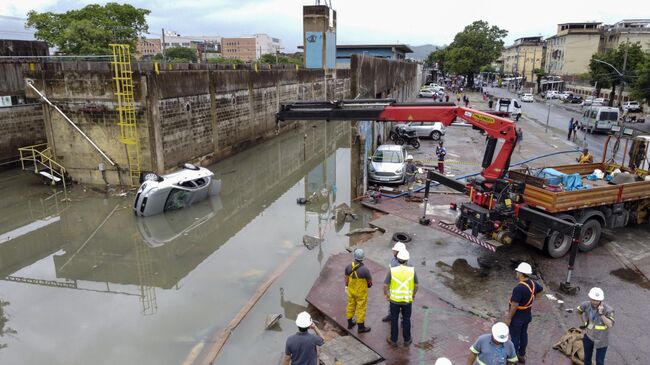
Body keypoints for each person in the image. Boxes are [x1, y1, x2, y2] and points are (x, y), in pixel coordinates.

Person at [503, 262, 543, 364]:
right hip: (527, 316)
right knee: (523, 334)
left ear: (521, 273)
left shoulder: (518, 288)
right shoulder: (533, 284)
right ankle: (521, 355)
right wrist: (531, 300)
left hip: (518, 318)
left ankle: (512, 358)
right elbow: (541, 291)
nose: (516, 273)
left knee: (515, 338)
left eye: (518, 271)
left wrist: (509, 318)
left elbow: (514, 305)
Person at [384, 248, 418, 347]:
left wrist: (386, 294)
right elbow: (416, 285)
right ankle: (407, 340)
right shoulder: (412, 270)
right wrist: (413, 294)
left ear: (397, 258)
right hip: (407, 300)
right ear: (407, 260)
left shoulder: (392, 270)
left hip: (394, 300)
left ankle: (393, 340)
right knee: (407, 319)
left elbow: (385, 285)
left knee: (394, 319)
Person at [577, 287, 614, 365]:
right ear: (590, 298)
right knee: (587, 358)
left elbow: (610, 324)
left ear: (601, 300)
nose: (595, 302)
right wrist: (583, 324)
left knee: (599, 361)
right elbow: (578, 312)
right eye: (593, 299)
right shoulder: (585, 305)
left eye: (597, 300)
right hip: (589, 336)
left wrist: (601, 314)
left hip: (602, 339)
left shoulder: (608, 310)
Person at [344, 248, 372, 333]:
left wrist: (346, 286)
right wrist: (368, 285)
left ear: (354, 257)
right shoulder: (365, 270)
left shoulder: (348, 267)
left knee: (350, 305)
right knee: (361, 309)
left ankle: (350, 323)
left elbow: (346, 279)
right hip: (361, 293)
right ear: (363, 258)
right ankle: (361, 328)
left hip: (351, 291)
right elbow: (369, 282)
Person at [382, 241, 409, 322]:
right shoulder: (393, 260)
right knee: (392, 302)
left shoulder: (406, 263)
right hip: (393, 286)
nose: (393, 252)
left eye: (394, 251)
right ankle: (391, 315)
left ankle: (403, 319)